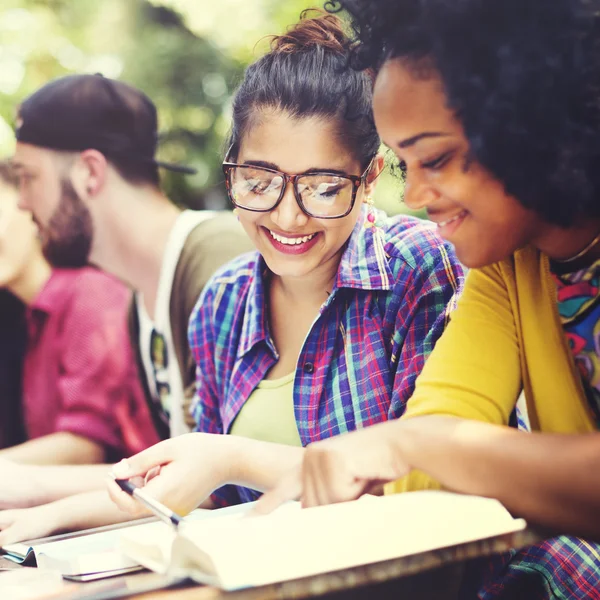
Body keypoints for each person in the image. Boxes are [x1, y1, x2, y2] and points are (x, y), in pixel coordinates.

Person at [255, 0, 600, 598]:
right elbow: (424, 466)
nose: (414, 193)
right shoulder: (506, 269)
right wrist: (410, 447)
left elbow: (424, 444)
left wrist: (414, 443)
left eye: (435, 159)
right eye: (404, 165)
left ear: (534, 123)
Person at [107, 11, 464, 517]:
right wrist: (59, 516)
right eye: (259, 182)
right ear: (230, 173)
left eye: (323, 188)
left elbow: (436, 486)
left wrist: (235, 458)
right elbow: (212, 497)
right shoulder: (222, 302)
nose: (288, 216)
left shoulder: (419, 267)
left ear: (368, 178)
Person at [0, 75, 252, 544]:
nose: (22, 201)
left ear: (90, 173)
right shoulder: (140, 301)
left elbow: (230, 483)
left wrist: (35, 493)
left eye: (28, 177)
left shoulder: (217, 261)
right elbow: (174, 482)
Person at [0, 159, 157, 466]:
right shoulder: (23, 319)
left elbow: (87, 444)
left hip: (137, 503)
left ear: (29, 208)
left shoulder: (89, 294)